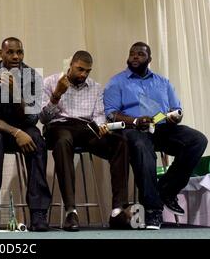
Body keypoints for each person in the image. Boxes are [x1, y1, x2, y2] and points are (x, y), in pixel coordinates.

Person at [103, 41, 208, 230]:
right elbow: (111, 113)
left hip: (161, 127)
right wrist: (135, 121)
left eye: (140, 54)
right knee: (143, 147)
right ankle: (152, 210)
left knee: (197, 140)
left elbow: (176, 108)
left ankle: (167, 190)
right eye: (132, 53)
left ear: (149, 59)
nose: (135, 56)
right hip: (133, 129)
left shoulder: (163, 82)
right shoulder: (117, 82)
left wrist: (175, 116)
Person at [40, 50, 130, 232]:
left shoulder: (95, 87)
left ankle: (118, 210)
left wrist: (101, 126)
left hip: (86, 128)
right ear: (70, 65)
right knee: (63, 141)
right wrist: (57, 94)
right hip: (59, 126)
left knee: (120, 143)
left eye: (87, 71)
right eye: (80, 69)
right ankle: (71, 211)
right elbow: (43, 118)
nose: (83, 74)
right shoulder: (50, 82)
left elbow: (97, 115)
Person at [0, 37, 51, 232]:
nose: (16, 56)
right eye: (10, 52)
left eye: (19, 52)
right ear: (1, 53)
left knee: (37, 140)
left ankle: (38, 213)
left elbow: (32, 119)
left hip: (23, 126)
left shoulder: (32, 76)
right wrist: (15, 132)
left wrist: (16, 94)